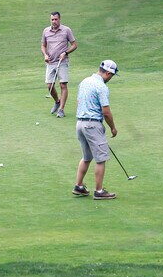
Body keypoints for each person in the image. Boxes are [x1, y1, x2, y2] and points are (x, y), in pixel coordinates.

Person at [72, 60, 119, 200]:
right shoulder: (101, 87)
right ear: (108, 73)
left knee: (86, 157)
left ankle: (79, 186)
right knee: (101, 159)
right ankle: (99, 191)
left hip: (80, 123)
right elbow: (106, 112)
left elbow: (79, 102)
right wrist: (113, 128)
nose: (111, 78)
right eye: (112, 75)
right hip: (93, 125)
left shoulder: (85, 81)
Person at [41, 12, 77, 118]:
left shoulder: (66, 30)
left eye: (56, 19)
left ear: (60, 19)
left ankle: (61, 109)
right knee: (49, 85)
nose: (54, 22)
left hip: (62, 62)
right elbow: (43, 45)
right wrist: (45, 55)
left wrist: (65, 53)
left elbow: (74, 45)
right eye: (52, 20)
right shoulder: (46, 31)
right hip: (50, 62)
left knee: (63, 85)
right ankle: (57, 101)